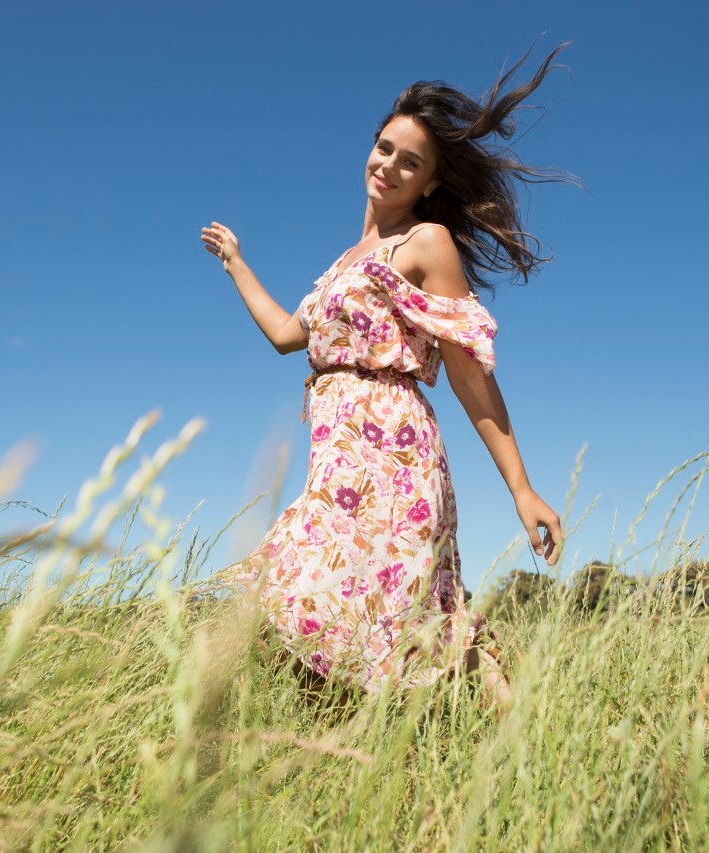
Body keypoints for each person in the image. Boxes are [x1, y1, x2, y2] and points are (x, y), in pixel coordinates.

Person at [198, 44, 572, 711]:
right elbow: (289, 335)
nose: (389, 165)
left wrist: (522, 487)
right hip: (336, 461)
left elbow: (467, 373)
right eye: (384, 147)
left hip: (394, 455)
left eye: (410, 160)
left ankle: (519, 746)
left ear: (430, 182)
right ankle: (359, 756)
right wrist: (235, 264)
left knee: (368, 604)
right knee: (318, 608)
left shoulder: (425, 243)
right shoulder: (344, 263)